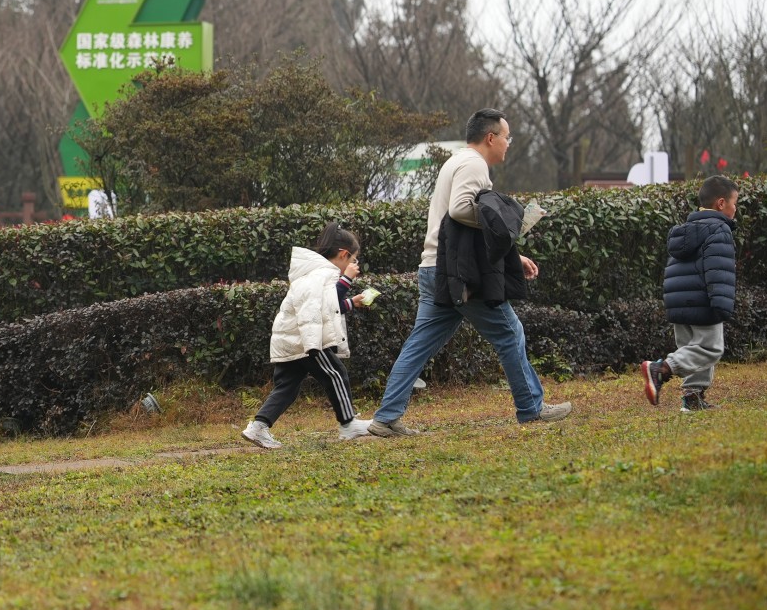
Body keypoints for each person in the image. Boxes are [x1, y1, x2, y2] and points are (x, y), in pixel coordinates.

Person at [368, 109, 573, 436]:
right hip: (459, 273)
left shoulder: (457, 161)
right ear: (491, 137)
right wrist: (504, 222)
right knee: (510, 332)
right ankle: (531, 408)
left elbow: (468, 226)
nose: (508, 143)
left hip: (434, 267)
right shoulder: (475, 164)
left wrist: (511, 254)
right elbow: (461, 208)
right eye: (507, 137)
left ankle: (385, 418)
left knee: (419, 345)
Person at [242, 223, 376, 449]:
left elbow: (325, 307)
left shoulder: (315, 273)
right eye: (353, 259)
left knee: (287, 388)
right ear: (343, 254)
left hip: (294, 339)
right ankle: (348, 424)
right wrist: (346, 280)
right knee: (336, 374)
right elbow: (316, 307)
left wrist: (352, 303)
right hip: (308, 339)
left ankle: (258, 427)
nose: (354, 265)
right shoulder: (321, 274)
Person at [643, 175, 738, 411]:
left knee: (692, 349)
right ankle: (661, 369)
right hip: (702, 299)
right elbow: (717, 269)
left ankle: (693, 399)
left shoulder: (686, 231)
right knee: (709, 348)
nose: (735, 209)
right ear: (721, 203)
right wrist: (720, 303)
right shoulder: (719, 229)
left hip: (680, 300)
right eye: (734, 203)